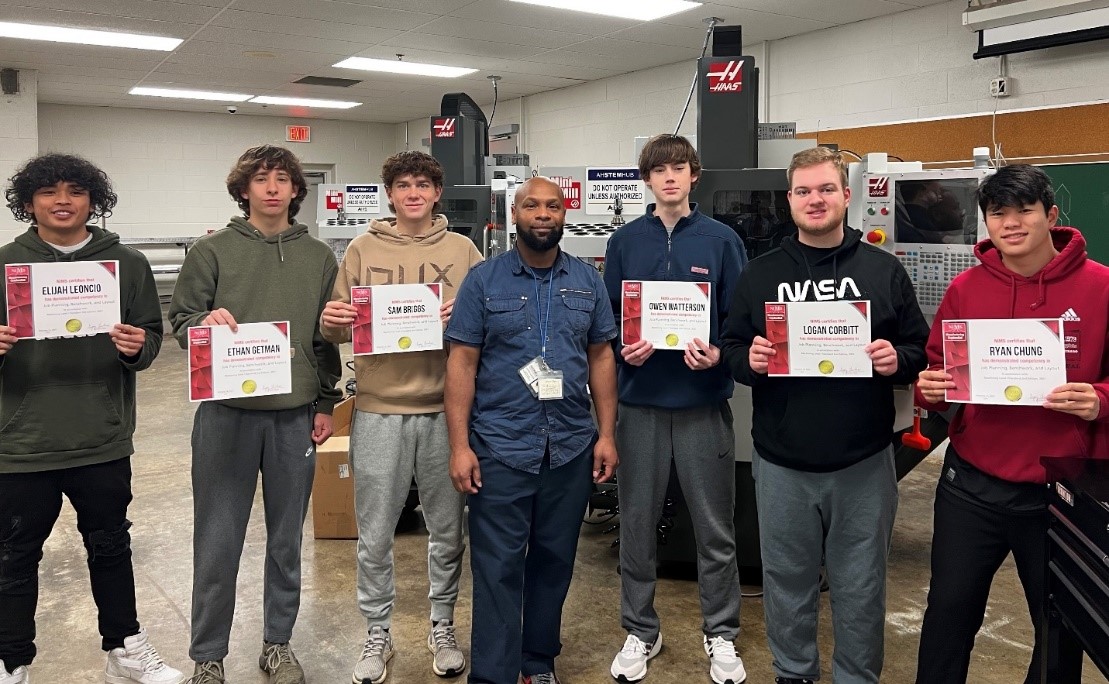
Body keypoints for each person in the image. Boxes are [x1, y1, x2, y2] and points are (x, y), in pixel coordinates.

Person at [720, 146, 929, 684]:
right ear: (790, 200)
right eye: (805, 191)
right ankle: (794, 673)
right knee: (786, 581)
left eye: (826, 189)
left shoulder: (883, 272)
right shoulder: (760, 274)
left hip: (863, 460)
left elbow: (917, 350)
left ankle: (856, 677)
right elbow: (733, 348)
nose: (816, 199)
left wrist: (895, 359)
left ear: (845, 195)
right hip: (782, 461)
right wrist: (752, 359)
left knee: (861, 586)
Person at [913, 164, 1109, 684]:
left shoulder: (1102, 288)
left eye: (1025, 210)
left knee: (1057, 630)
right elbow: (938, 371)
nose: (1012, 223)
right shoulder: (964, 290)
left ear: (1051, 214)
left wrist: (1100, 400)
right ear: (986, 222)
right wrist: (930, 389)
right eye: (998, 213)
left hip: (1059, 493)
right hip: (970, 485)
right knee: (948, 615)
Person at [0, 153, 183, 684]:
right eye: (49, 192)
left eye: (75, 190)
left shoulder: (127, 263)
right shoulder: (7, 263)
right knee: (15, 558)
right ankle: (12, 661)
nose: (62, 201)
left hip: (101, 438)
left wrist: (136, 346)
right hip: (21, 441)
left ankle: (124, 648)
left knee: (110, 546)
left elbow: (151, 338)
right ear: (29, 202)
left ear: (92, 200)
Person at [168, 145, 342, 684]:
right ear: (243, 189)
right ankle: (208, 656)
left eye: (282, 179)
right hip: (227, 416)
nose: (272, 188)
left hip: (294, 419)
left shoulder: (318, 256)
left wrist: (325, 401)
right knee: (218, 539)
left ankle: (277, 643)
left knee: (286, 539)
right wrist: (204, 320)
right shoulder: (211, 251)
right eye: (261, 179)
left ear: (295, 190)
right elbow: (180, 323)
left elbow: (322, 337)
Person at [443, 176, 619, 684]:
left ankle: (537, 662)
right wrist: (459, 446)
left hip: (569, 446)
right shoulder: (484, 281)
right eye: (531, 206)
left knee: (555, 560)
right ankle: (495, 674)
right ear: (513, 215)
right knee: (497, 567)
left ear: (564, 215)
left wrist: (606, 434)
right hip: (500, 446)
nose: (543, 214)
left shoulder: (587, 281)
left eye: (553, 206)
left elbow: (602, 355)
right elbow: (461, 361)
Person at [319, 151, 483, 684]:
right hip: (378, 409)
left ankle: (442, 623)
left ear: (437, 193)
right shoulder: (362, 249)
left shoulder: (464, 251)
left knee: (446, 528)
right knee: (375, 532)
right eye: (403, 185)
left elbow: (491, 323)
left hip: (446, 410)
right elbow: (337, 327)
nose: (413, 193)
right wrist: (332, 319)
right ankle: (377, 630)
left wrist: (468, 314)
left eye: (423, 185)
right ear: (390, 194)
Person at [602, 134, 748, 684]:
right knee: (636, 524)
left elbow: (739, 320)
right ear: (647, 180)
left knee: (715, 529)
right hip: (639, 406)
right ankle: (640, 630)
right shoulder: (624, 242)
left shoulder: (721, 240)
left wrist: (718, 356)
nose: (669, 177)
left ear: (694, 176)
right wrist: (623, 346)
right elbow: (607, 320)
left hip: (701, 405)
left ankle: (722, 634)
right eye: (658, 170)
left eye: (679, 168)